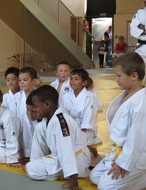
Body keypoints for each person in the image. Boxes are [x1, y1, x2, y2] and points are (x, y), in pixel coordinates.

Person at [90, 52, 146, 190]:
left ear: (134, 76)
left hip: (135, 156)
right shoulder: (127, 94)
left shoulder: (141, 103)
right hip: (119, 151)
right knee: (94, 177)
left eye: (119, 75)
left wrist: (122, 163)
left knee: (105, 187)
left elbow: (136, 139)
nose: (116, 79)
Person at [25, 85, 90, 190]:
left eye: (36, 107)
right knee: (32, 165)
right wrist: (36, 162)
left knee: (31, 169)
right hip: (63, 157)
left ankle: (77, 173)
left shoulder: (61, 121)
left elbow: (66, 149)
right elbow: (39, 148)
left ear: (47, 104)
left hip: (76, 159)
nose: (34, 110)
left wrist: (73, 180)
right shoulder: (44, 122)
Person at [61, 69, 102, 167]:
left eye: (76, 79)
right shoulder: (66, 96)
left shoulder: (89, 96)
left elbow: (89, 115)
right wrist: (68, 127)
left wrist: (81, 130)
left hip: (86, 126)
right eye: (71, 79)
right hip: (71, 125)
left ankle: (95, 158)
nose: (72, 81)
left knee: (84, 142)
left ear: (84, 82)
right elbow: (64, 113)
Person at [15, 66, 38, 158]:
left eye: (25, 80)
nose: (21, 82)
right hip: (21, 128)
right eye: (20, 80)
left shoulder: (39, 96)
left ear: (34, 81)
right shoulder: (16, 97)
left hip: (36, 127)